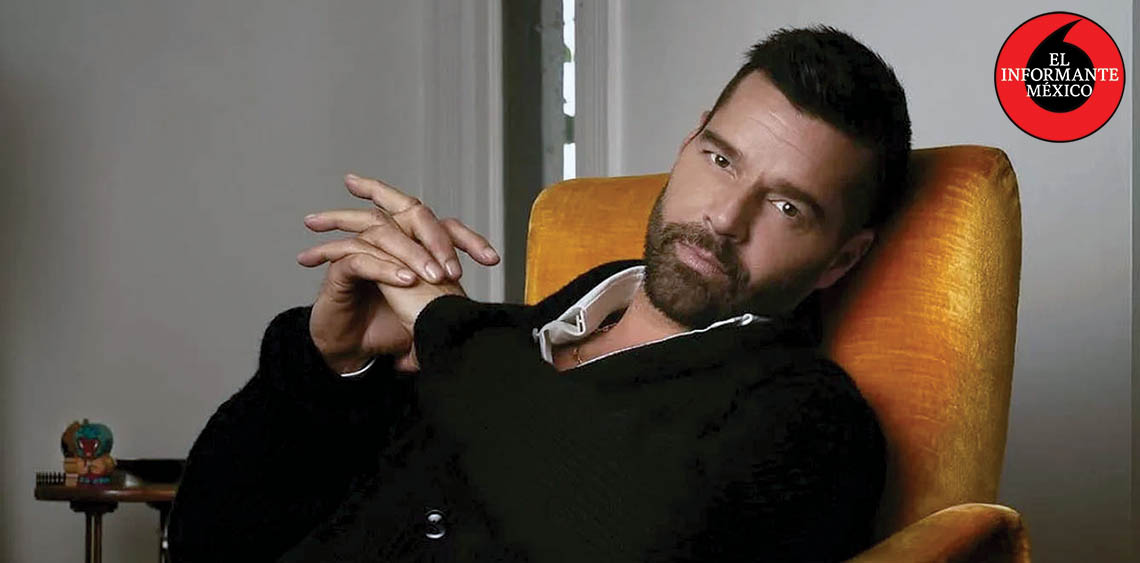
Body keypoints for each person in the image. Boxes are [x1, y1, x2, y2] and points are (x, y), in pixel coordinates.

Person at [168, 25, 911, 562]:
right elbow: (207, 536)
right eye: (721, 160)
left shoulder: (812, 423)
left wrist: (446, 326)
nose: (724, 216)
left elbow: (623, 537)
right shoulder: (502, 346)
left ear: (841, 259)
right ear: (689, 144)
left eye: (786, 206)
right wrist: (327, 369)